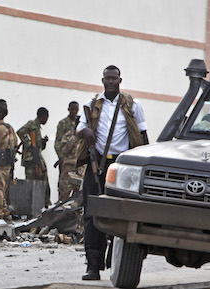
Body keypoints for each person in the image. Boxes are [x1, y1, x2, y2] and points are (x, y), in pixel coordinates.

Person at [76, 65, 148, 281]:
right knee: (91, 215)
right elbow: (78, 130)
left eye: (113, 78)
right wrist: (85, 131)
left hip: (122, 166)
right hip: (96, 163)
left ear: (119, 80)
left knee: (123, 213)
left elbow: (143, 134)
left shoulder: (133, 105)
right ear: (102, 80)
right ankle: (92, 266)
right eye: (107, 78)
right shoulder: (91, 105)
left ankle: (116, 260)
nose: (110, 82)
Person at [17, 107, 51, 207]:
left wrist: (43, 142)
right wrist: (29, 143)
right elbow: (20, 132)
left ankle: (45, 203)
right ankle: (28, 206)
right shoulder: (32, 124)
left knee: (43, 181)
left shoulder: (38, 128)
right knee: (30, 184)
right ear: (43, 116)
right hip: (30, 160)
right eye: (46, 117)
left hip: (38, 159)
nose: (47, 120)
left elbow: (38, 146)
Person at [55, 101, 80, 202]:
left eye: (76, 110)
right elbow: (59, 144)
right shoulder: (64, 126)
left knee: (78, 198)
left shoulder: (86, 136)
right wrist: (61, 158)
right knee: (64, 194)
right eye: (72, 109)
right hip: (67, 166)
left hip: (80, 169)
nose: (74, 112)